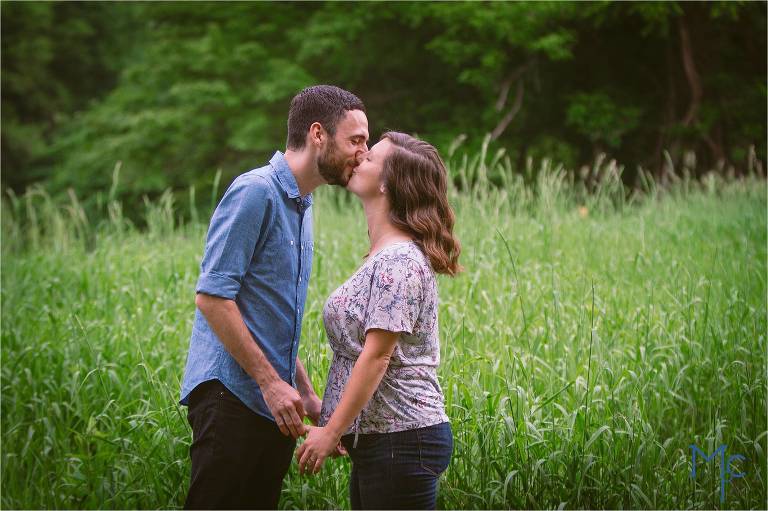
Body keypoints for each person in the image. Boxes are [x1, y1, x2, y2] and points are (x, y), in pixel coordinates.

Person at [179, 85, 369, 510]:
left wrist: (303, 393)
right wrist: (269, 382)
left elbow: (268, 317)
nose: (364, 152)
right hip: (230, 397)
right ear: (318, 134)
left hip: (274, 405)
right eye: (356, 140)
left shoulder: (303, 203)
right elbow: (212, 297)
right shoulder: (256, 192)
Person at [295, 132, 462, 509]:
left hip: (402, 440)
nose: (358, 158)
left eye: (369, 158)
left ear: (388, 183)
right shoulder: (384, 255)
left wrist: (331, 430)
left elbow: (376, 357)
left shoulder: (398, 262)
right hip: (386, 441)